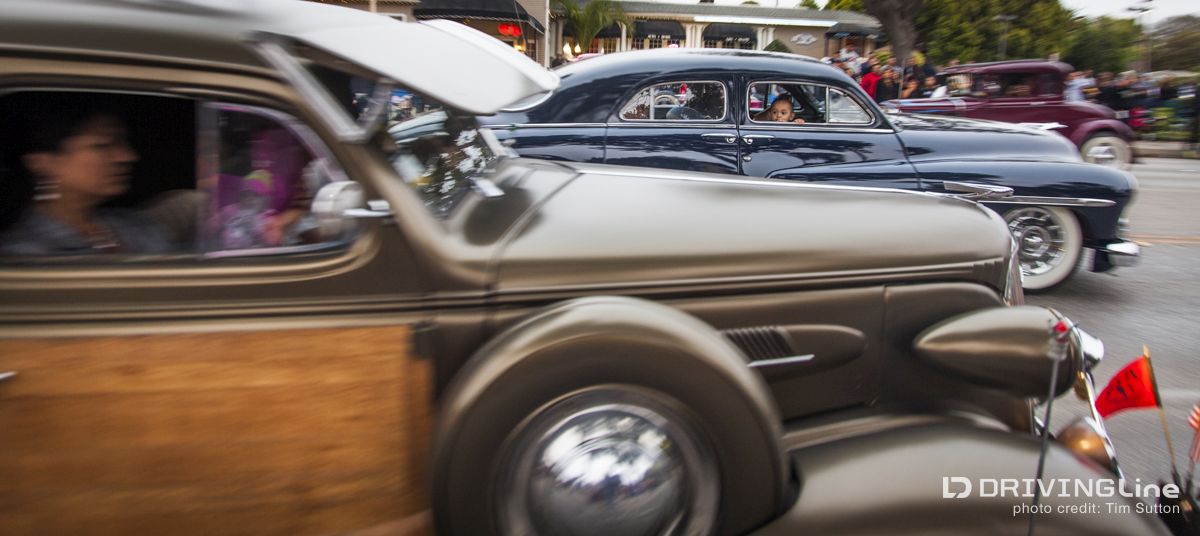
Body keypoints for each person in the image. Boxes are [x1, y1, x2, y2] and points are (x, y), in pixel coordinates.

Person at [0, 94, 172, 255]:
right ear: (43, 162)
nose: (127, 156)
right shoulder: (24, 253)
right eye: (102, 145)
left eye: (122, 143)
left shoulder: (136, 224)